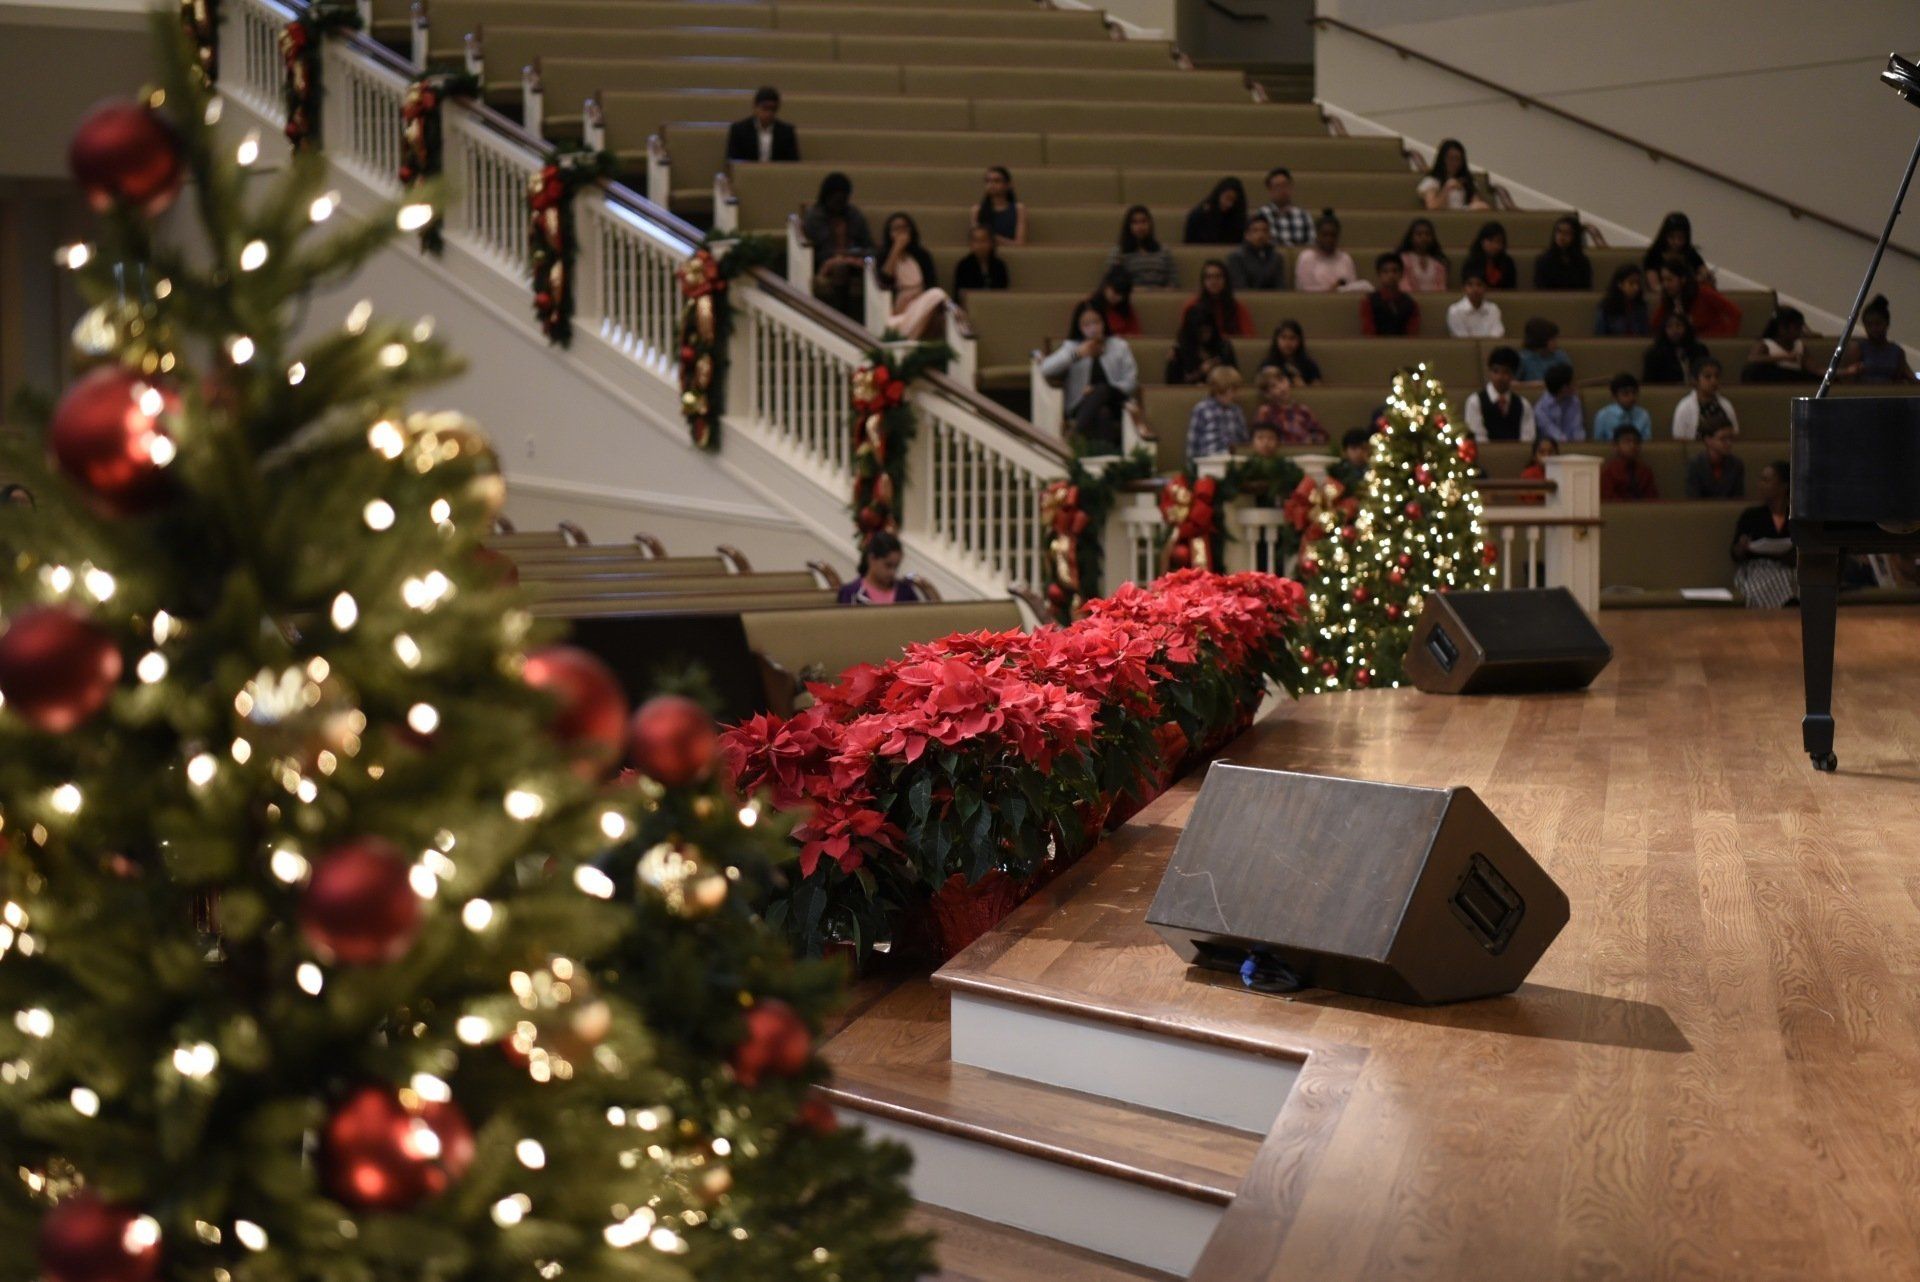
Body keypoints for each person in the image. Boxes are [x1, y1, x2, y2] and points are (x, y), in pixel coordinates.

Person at [1039, 300, 1138, 453]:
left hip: (1116, 401)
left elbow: (1131, 382)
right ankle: (1109, 460)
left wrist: (1103, 390)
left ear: (1104, 322)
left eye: (1096, 322)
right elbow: (1046, 369)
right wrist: (1077, 354)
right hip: (1081, 404)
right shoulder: (1073, 347)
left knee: (1101, 390)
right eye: (1086, 324)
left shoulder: (1119, 346)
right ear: (1079, 327)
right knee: (1102, 413)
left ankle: (1073, 436)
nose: (1093, 328)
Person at [801, 172, 872, 319]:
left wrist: (852, 257)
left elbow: (868, 245)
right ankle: (841, 318)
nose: (839, 203)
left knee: (875, 268)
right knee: (840, 268)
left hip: (855, 259)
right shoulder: (815, 216)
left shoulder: (854, 215)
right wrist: (841, 259)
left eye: (843, 198)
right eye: (835, 199)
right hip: (824, 262)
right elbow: (824, 250)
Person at [1732, 460, 1797, 607]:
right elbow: (1735, 554)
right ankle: (1786, 609)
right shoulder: (1751, 515)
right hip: (1756, 568)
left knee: (1792, 577)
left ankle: (1792, 614)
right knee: (1775, 579)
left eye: (1766, 480)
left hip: (1785, 566)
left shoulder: (1794, 517)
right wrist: (1742, 547)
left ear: (1783, 486)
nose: (1760, 484)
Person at [877, 212, 949, 340]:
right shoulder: (884, 256)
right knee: (893, 323)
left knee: (937, 294)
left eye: (904, 228)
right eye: (896, 229)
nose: (901, 232)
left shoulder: (922, 255)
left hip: (921, 304)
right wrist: (896, 249)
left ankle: (909, 339)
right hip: (896, 310)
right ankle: (908, 339)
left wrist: (917, 297)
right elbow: (884, 281)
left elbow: (932, 284)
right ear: (889, 233)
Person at [1654, 255, 1742, 339]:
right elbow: (1656, 324)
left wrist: (1728, 340)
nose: (1665, 285)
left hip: (1713, 340)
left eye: (1670, 280)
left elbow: (1735, 312)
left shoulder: (1704, 292)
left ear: (1683, 279)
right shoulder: (1668, 298)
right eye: (1663, 280)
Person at [1840, 294, 1917, 383]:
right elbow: (1849, 379)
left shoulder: (1897, 351)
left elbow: (1907, 377)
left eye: (1878, 324)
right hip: (1863, 393)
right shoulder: (1859, 348)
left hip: (1889, 393)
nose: (1874, 329)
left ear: (1887, 323)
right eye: (1869, 325)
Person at [1464, 346, 1535, 442]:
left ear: (1513, 374)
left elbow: (1527, 439)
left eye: (1505, 372)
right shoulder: (1475, 402)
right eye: (1495, 371)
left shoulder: (1523, 404)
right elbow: (1478, 439)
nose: (1499, 377)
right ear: (1489, 371)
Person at [1185, 364, 1249, 468]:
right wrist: (1191, 470)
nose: (1232, 395)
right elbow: (1192, 444)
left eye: (1234, 390)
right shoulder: (1202, 409)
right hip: (1209, 462)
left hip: (1233, 463)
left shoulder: (1236, 411)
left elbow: (1244, 440)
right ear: (1216, 390)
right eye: (1227, 391)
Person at [837, 531, 922, 605]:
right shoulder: (851, 593)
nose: (892, 572)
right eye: (888, 565)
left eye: (896, 567)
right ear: (872, 559)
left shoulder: (905, 592)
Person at [1740, 307, 1820, 383]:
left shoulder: (1800, 346)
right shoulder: (1766, 344)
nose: (1800, 332)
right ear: (1782, 329)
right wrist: (1785, 357)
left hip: (1794, 379)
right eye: (1796, 328)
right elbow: (1752, 359)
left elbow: (1814, 368)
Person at [1106, 205, 1177, 289]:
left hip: (1161, 297)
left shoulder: (1164, 251)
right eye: (1135, 222)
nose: (1140, 227)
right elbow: (1111, 283)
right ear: (1128, 226)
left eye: (1144, 222)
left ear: (1150, 224)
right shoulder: (1118, 252)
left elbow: (1174, 282)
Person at [725, 86, 800, 163]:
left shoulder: (786, 132)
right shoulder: (739, 130)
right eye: (765, 108)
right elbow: (732, 163)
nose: (769, 113)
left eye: (773, 109)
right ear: (755, 107)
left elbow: (793, 164)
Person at [1180, 260, 1255, 337]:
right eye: (1208, 277)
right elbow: (1186, 337)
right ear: (1203, 281)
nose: (1213, 281)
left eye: (1218, 277)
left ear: (1226, 280)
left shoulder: (1237, 307)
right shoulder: (1192, 306)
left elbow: (1249, 338)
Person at [1253, 365, 1325, 444]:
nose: (1281, 388)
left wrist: (1313, 439)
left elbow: (1321, 434)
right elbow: (1259, 438)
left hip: (1304, 451)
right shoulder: (1265, 412)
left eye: (1282, 381)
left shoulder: (1303, 410)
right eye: (1274, 386)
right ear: (1267, 394)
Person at [1671, 357, 1738, 439]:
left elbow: (1735, 434)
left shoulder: (1726, 405)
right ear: (1695, 380)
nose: (1713, 381)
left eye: (1716, 376)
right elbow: (1679, 440)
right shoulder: (1684, 407)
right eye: (1707, 377)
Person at [1295, 210, 1360, 293]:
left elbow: (1352, 289)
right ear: (1317, 235)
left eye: (1333, 235)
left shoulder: (1345, 259)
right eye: (1325, 235)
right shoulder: (1306, 258)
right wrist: (1332, 290)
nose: (1329, 239)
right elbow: (1303, 290)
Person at [1164, 310, 1237, 385]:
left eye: (1208, 330)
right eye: (1201, 332)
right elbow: (1172, 385)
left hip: (1221, 393)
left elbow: (1235, 379)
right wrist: (1200, 373)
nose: (1206, 335)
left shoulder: (1223, 348)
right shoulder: (1179, 351)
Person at [1417, 138, 1490, 210]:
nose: (1454, 163)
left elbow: (1475, 202)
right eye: (1450, 158)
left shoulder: (1467, 180)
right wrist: (1447, 188)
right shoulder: (1432, 181)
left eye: (1457, 159)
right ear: (1442, 159)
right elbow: (1432, 207)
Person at [1360, 253, 1420, 335]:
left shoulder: (1411, 304)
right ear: (1379, 275)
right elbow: (1369, 332)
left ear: (1401, 274)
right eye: (1385, 271)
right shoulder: (1369, 302)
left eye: (1395, 271)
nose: (1391, 275)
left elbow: (1412, 334)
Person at [1642, 311, 1708, 384]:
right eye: (1669, 326)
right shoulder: (1654, 354)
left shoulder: (1700, 350)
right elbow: (1648, 383)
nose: (1674, 330)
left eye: (1679, 325)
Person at [1685, 418, 1745, 498]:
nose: (1729, 443)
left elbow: (1738, 498)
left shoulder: (1736, 465)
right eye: (1723, 439)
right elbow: (1693, 499)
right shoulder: (1695, 465)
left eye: (1730, 438)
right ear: (1708, 440)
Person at [1642, 210, 1707, 281]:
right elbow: (1655, 285)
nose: (1676, 242)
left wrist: (1703, 277)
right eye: (1672, 237)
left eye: (1680, 238)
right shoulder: (1654, 255)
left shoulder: (1690, 253)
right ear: (1664, 236)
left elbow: (1703, 270)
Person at [1255, 166, 1313, 245]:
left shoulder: (1304, 216)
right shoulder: (1261, 215)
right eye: (1277, 186)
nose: (1282, 190)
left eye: (1285, 185)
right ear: (1270, 190)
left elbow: (1310, 245)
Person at [1226, 215, 1286, 292]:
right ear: (1247, 235)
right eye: (1255, 230)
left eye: (1265, 231)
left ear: (1269, 235)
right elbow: (1241, 288)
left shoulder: (1277, 257)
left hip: (1273, 300)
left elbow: (1280, 287)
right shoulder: (1236, 258)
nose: (1261, 235)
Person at [1599, 424, 1658, 500]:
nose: (1632, 445)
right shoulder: (1608, 473)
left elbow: (1652, 499)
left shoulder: (1645, 471)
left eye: (1636, 442)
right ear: (1615, 446)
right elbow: (1609, 502)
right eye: (1627, 441)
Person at [1532, 215, 1592, 290]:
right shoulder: (1543, 260)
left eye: (1567, 233)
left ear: (1575, 236)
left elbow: (1585, 290)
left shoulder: (1583, 262)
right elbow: (1540, 291)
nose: (1561, 236)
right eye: (1559, 232)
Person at [1184, 176, 1248, 245]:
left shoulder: (1239, 220)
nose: (1229, 204)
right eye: (1227, 197)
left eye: (1233, 201)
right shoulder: (1199, 216)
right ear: (1219, 194)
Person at [973, 166, 1027, 246]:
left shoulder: (1019, 209)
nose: (991, 184)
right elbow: (975, 241)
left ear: (1008, 185)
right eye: (988, 181)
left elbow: (1020, 243)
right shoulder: (977, 210)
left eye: (997, 181)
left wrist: (991, 237)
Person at [952, 224, 1008, 302]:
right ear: (971, 244)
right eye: (976, 241)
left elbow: (1004, 293)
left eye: (984, 240)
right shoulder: (963, 266)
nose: (980, 245)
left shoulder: (999, 266)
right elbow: (958, 295)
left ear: (991, 243)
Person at [1592, 371, 1652, 441]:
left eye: (1634, 392)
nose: (1631, 397)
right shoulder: (1603, 416)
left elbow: (1647, 444)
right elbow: (1598, 444)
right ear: (1614, 396)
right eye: (1625, 393)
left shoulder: (1643, 414)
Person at [1594, 264, 1651, 337]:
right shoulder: (1606, 308)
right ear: (1620, 284)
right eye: (1631, 283)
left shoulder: (1641, 307)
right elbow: (1600, 336)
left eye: (1638, 283)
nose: (1636, 288)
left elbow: (1645, 335)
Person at [1259, 320, 1322, 385]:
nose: (1288, 343)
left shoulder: (1309, 365)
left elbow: (1317, 389)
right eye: (1283, 337)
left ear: (1299, 341)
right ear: (1276, 340)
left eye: (1292, 338)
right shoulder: (1267, 365)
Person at [1396, 217, 1449, 292]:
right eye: (1419, 234)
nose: (1424, 238)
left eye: (1427, 234)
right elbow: (1404, 286)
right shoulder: (1402, 260)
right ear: (1411, 237)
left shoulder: (1439, 262)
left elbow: (1441, 287)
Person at [1533, 363, 1584, 442]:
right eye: (1573, 382)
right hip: (1552, 450)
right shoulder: (1540, 409)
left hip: (1573, 447)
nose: (1576, 384)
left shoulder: (1574, 401)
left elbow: (1577, 429)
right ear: (1564, 388)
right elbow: (1553, 434)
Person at [1461, 221, 1518, 291]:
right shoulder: (1471, 262)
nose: (1494, 245)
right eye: (1490, 240)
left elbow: (1511, 289)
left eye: (1498, 241)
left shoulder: (1508, 263)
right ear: (1482, 241)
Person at [1446, 271, 1504, 338]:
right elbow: (1462, 340)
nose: (1475, 289)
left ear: (1485, 288)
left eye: (1479, 284)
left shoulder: (1493, 309)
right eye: (1470, 285)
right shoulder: (1455, 311)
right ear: (1463, 288)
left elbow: (1497, 335)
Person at [1091, 266, 1141, 337]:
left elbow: (1136, 336)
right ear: (1106, 285)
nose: (1116, 296)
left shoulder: (1127, 310)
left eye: (1121, 294)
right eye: (1114, 290)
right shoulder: (1089, 305)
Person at [1516, 317, 1570, 383]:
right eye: (1553, 339)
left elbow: (1569, 383)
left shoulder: (1560, 357)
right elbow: (1514, 385)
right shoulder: (1522, 359)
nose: (1556, 343)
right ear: (1541, 340)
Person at [1329, 426, 1372, 492]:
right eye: (1354, 448)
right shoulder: (1336, 471)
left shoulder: (1374, 470)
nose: (1359, 452)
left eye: (1363, 448)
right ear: (1345, 451)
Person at [1520, 435, 1559, 504]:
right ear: (1534, 457)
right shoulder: (1528, 474)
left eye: (1550, 452)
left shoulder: (1563, 473)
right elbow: (1530, 503)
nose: (1547, 456)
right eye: (1542, 452)